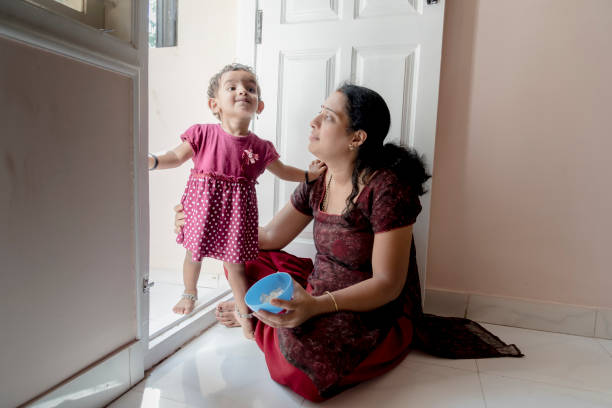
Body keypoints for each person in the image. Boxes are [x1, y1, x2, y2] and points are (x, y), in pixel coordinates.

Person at [174, 83, 523, 402]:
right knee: (242, 261)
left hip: (370, 305)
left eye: (327, 117)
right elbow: (266, 238)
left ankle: (258, 318)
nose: (313, 122)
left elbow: (388, 285)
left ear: (356, 137)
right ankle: (265, 316)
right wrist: (201, 223)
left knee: (303, 374)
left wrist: (314, 306)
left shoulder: (387, 188)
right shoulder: (316, 180)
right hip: (319, 280)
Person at [149, 63, 326, 339]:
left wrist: (308, 174)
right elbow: (175, 157)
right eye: (232, 87)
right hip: (202, 207)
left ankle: (245, 316)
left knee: (236, 267)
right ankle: (190, 291)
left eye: (250, 88)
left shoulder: (260, 147)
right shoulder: (202, 134)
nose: (243, 91)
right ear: (214, 104)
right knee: (193, 253)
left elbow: (283, 171)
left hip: (237, 216)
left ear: (260, 105)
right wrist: (154, 161)